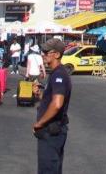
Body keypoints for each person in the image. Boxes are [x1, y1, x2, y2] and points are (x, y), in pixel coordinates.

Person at [33, 38, 72, 173]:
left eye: (46, 52)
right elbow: (51, 100)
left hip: (51, 131)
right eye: (42, 52)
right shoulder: (55, 73)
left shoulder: (59, 74)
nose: (43, 54)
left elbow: (57, 104)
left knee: (48, 169)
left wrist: (39, 123)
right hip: (53, 131)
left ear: (57, 54)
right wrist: (39, 94)